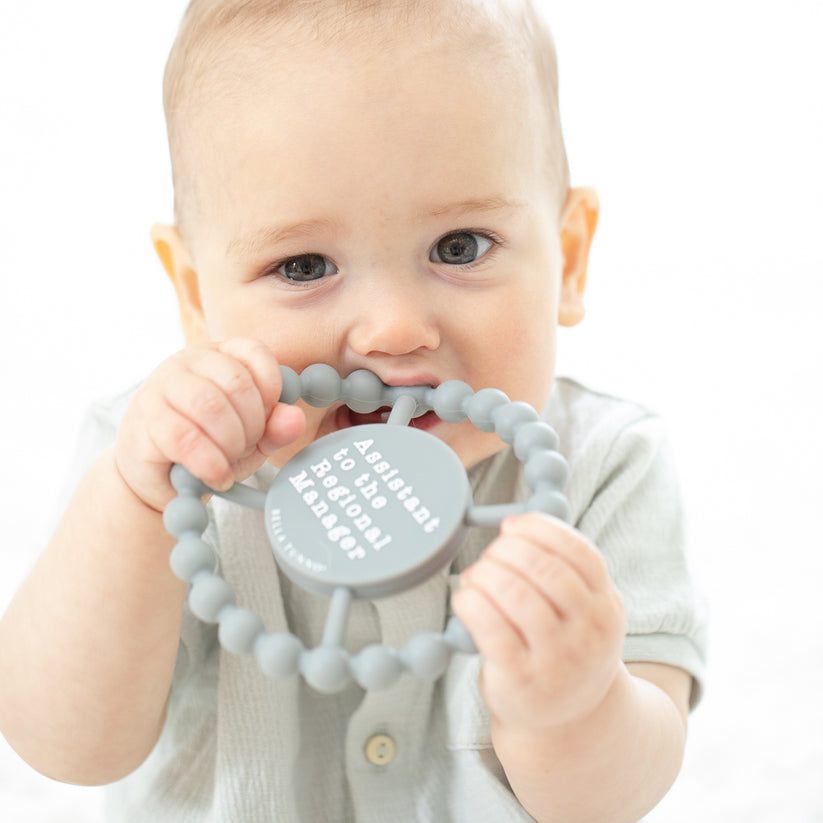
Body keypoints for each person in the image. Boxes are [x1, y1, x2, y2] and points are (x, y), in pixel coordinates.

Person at [0, 1, 706, 820]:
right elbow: (64, 744)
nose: (394, 329)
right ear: (195, 295)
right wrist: (135, 501)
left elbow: (613, 796)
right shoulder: (159, 463)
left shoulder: (603, 466)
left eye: (460, 246)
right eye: (303, 264)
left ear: (569, 259)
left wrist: (576, 706)